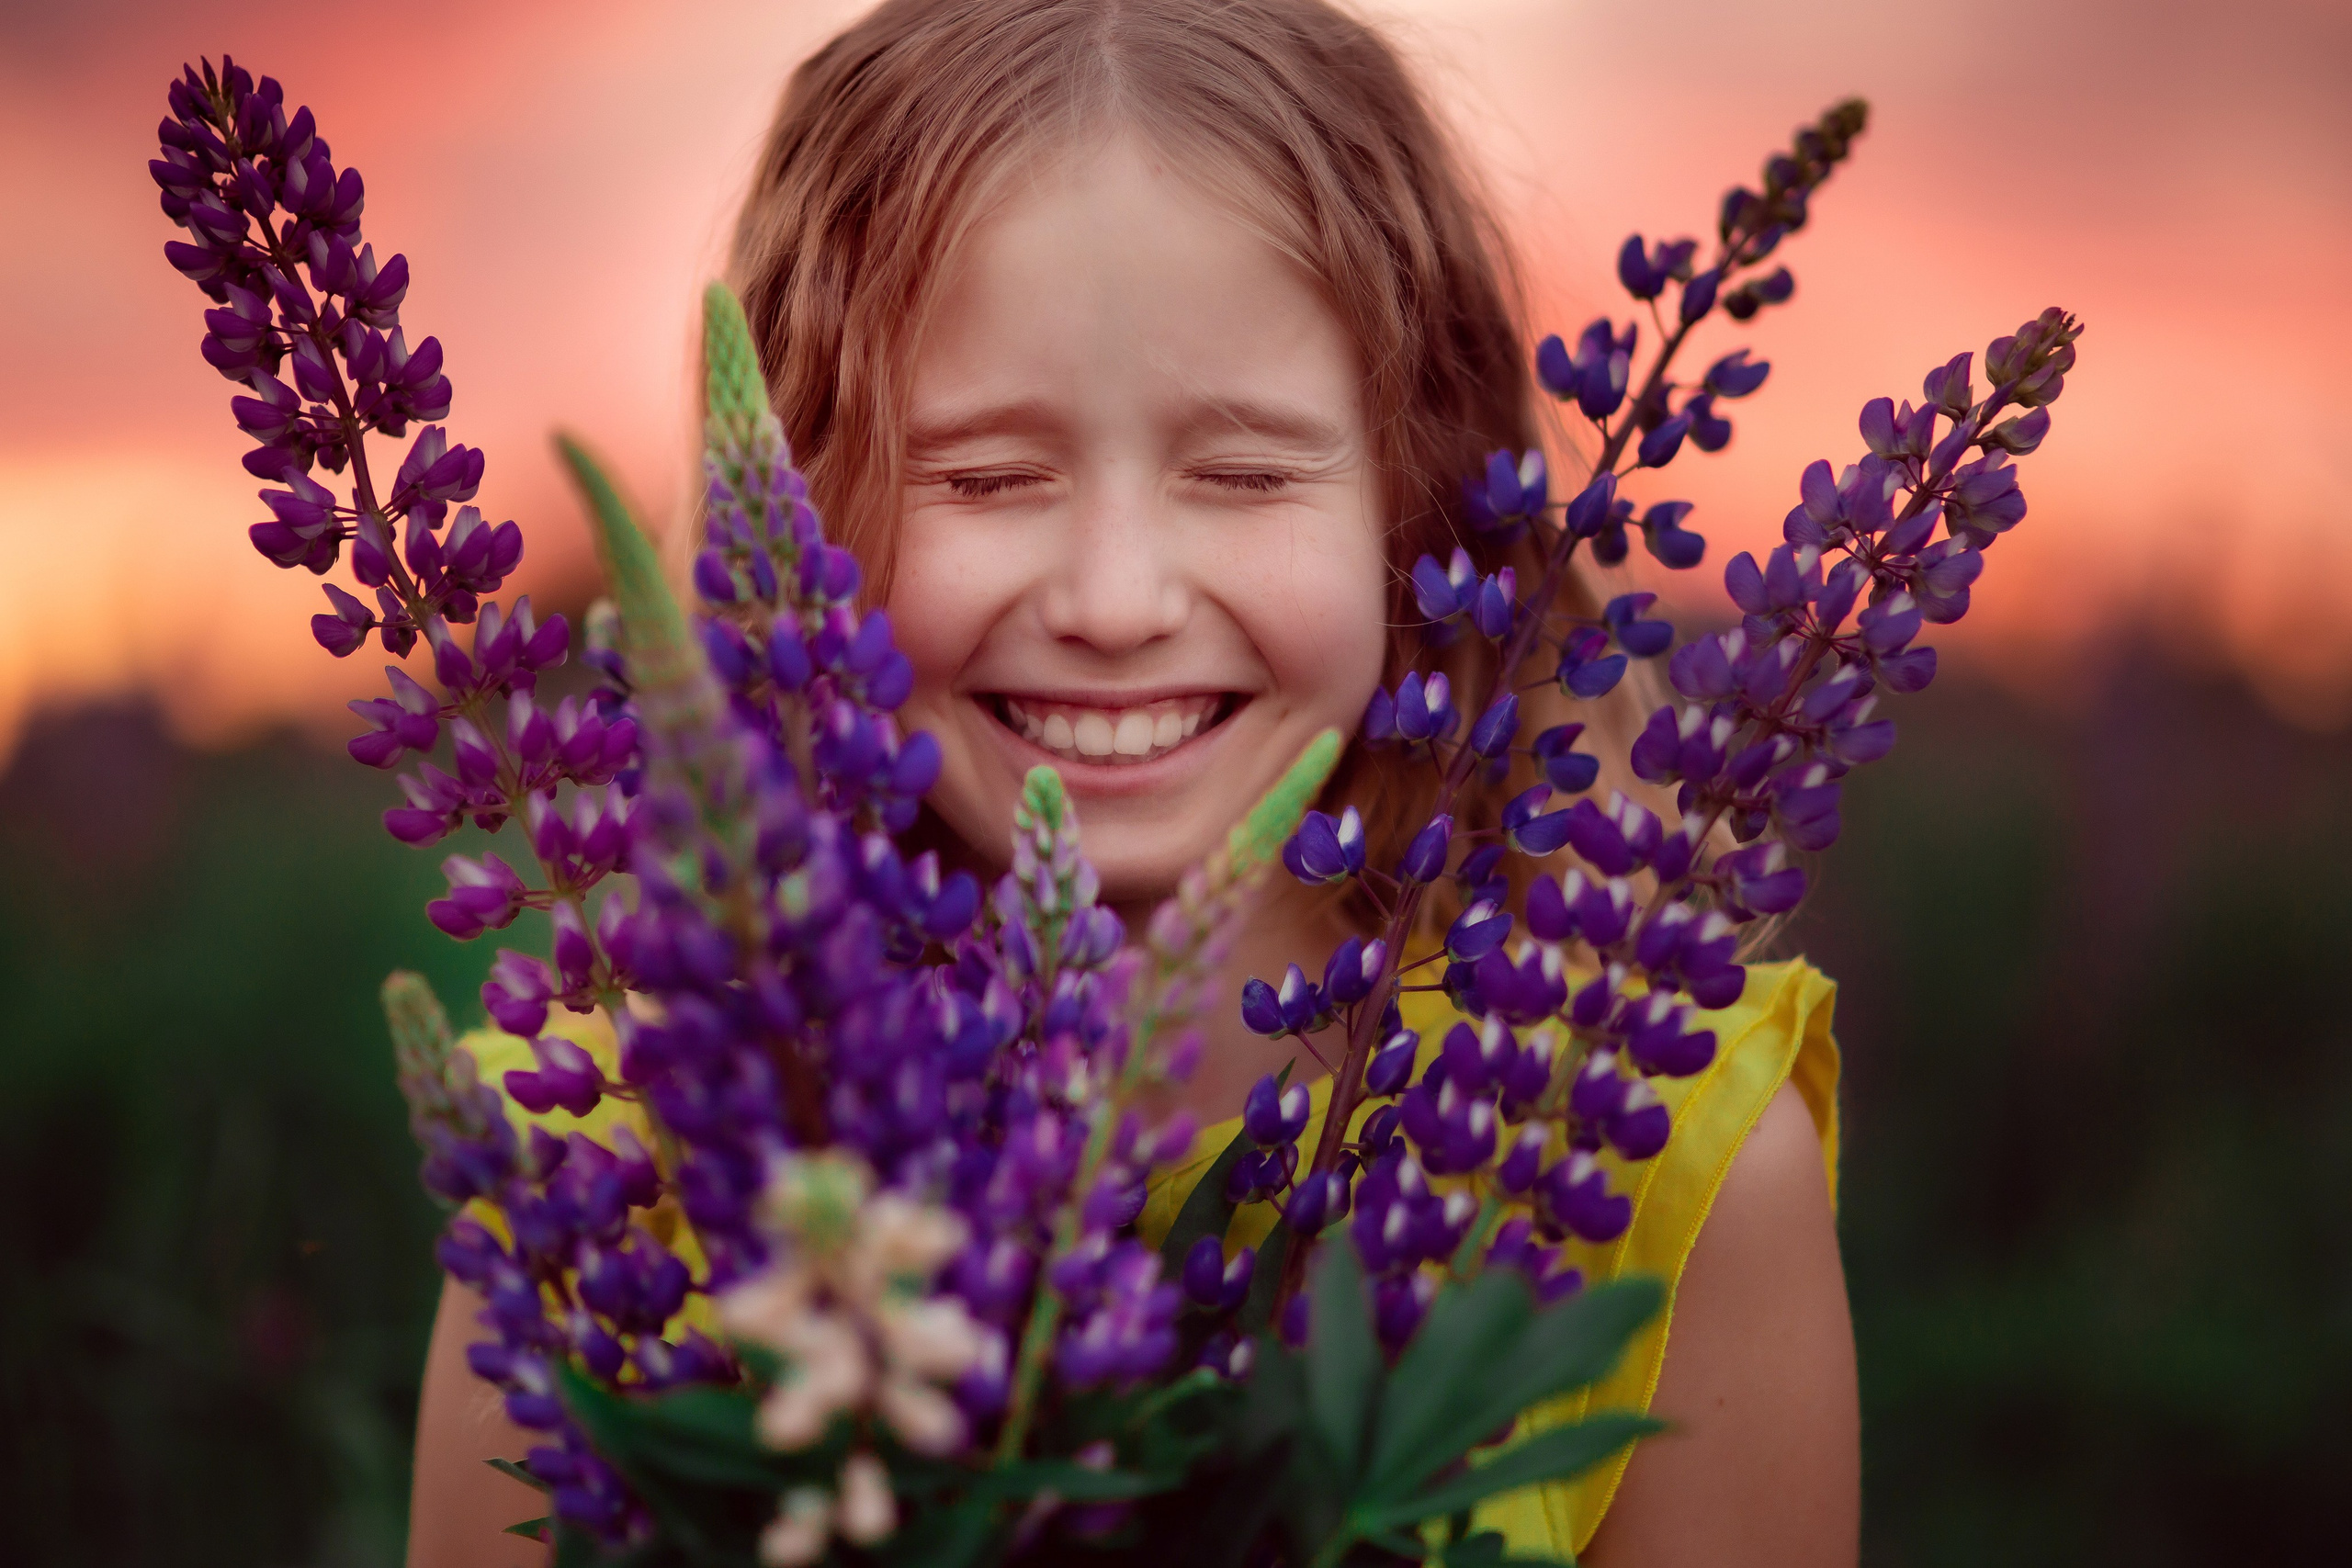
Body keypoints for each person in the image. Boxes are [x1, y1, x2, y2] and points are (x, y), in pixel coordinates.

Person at [407, 2, 1859, 1562]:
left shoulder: (1651, 1148)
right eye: (985, 477)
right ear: (807, 502)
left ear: (1420, 500)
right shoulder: (613, 1155)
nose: (1115, 601)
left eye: (1242, 473)